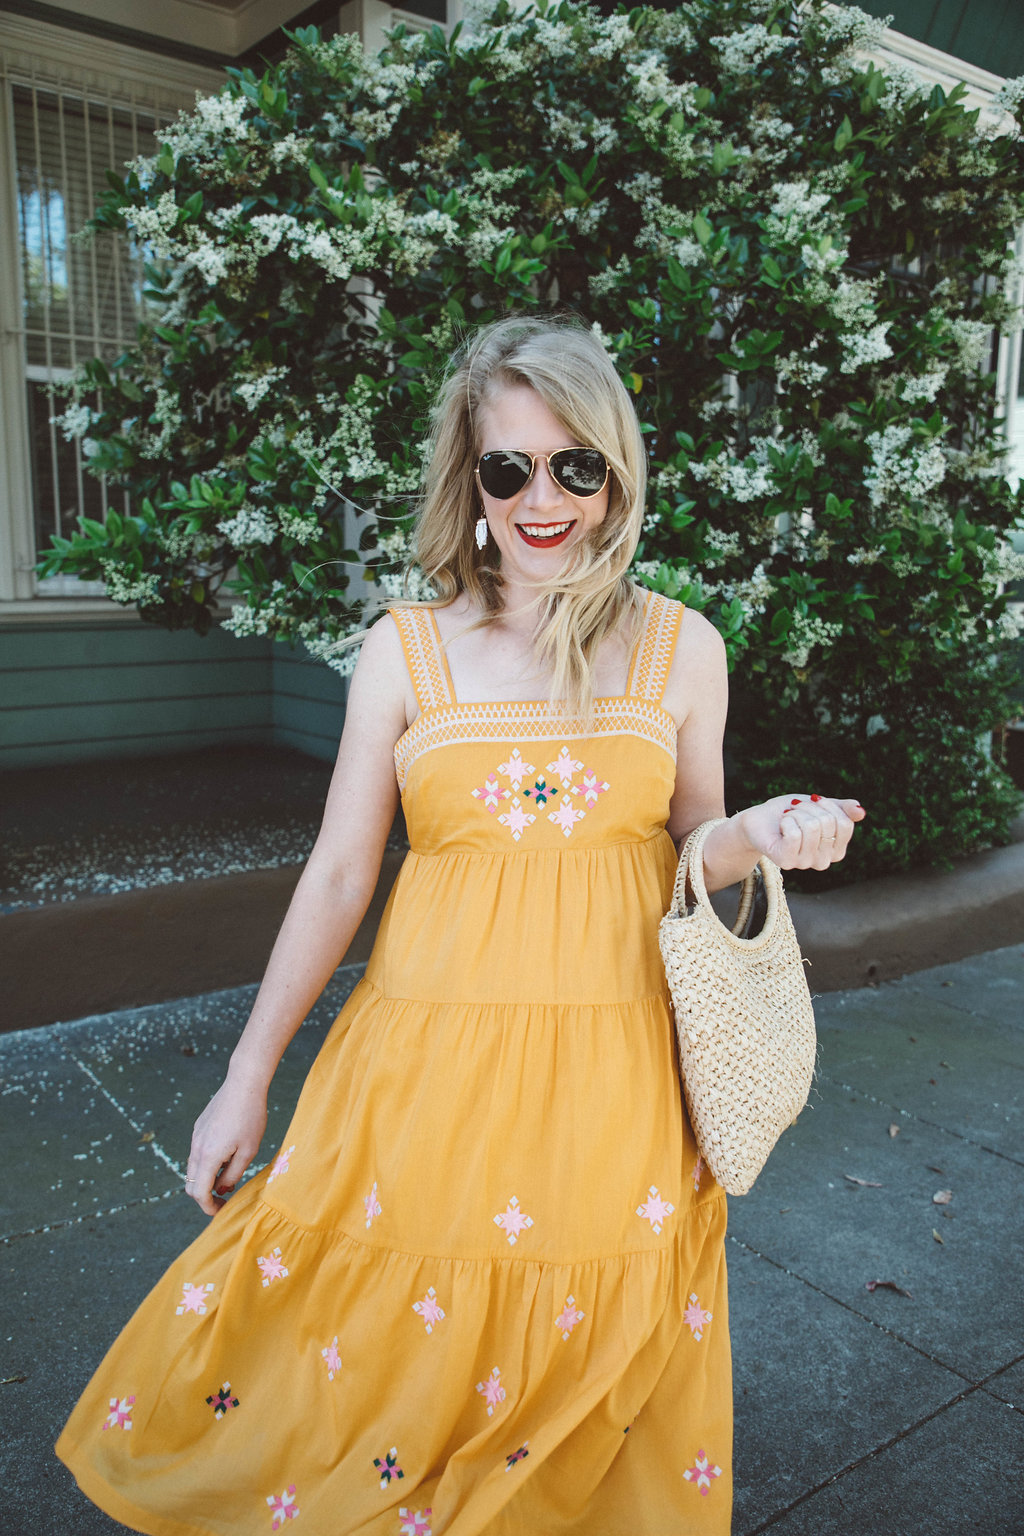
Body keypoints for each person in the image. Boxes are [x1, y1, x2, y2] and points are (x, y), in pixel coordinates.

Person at [56, 314, 863, 1535]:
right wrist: (246, 1073)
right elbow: (338, 875)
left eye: (575, 465)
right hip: (421, 1077)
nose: (545, 499)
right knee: (383, 1362)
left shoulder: (681, 648)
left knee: (585, 1370)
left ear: (615, 471)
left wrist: (756, 836)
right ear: (469, 478)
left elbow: (690, 849)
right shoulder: (404, 653)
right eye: (510, 468)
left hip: (615, 1081)